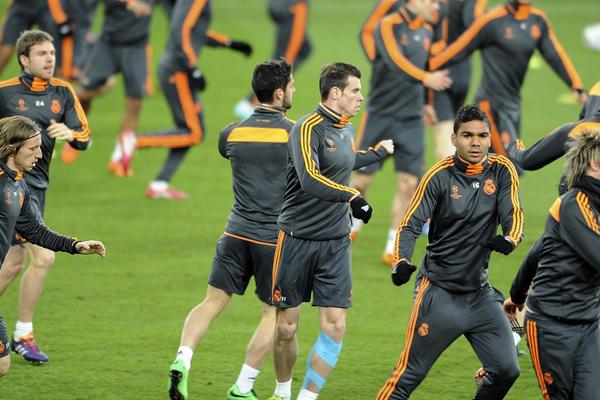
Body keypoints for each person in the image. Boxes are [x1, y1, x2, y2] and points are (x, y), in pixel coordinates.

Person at [167, 59, 295, 400]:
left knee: (211, 302)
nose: (295, 91)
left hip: (234, 232)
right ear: (280, 93)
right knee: (272, 313)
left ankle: (183, 358)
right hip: (273, 240)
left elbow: (228, 153)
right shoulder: (293, 133)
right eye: (292, 86)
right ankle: (243, 385)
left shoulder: (231, 133)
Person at [377, 104, 523, 399]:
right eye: (467, 135)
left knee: (507, 369)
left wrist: (510, 239)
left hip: (479, 295)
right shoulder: (439, 176)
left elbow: (514, 215)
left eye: (482, 136)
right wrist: (402, 260)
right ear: (454, 138)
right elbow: (410, 224)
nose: (476, 142)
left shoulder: (502, 170)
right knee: (406, 379)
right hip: (439, 294)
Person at [270, 62, 394, 400]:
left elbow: (343, 160)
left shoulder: (345, 127)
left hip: (335, 241)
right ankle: (282, 391)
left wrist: (375, 155)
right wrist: (353, 195)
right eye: (355, 90)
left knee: (335, 324)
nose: (361, 97)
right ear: (335, 93)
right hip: (296, 237)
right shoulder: (306, 127)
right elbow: (310, 178)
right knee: (285, 327)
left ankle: (307, 396)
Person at [0, 30, 91, 364]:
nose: (50, 58)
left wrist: (70, 134)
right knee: (44, 257)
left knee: (10, 265)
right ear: (24, 59)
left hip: (35, 190)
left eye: (52, 52)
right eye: (41, 53)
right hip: (9, 190)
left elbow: (85, 136)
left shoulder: (63, 92)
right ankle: (24, 334)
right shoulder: (5, 93)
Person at [115, 0, 253, 199]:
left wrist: (229, 43)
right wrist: (192, 67)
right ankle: (134, 140)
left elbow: (195, 31)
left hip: (176, 68)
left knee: (192, 130)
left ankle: (159, 184)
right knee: (193, 132)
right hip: (178, 71)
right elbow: (181, 29)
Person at [0, 115, 105, 376]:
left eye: (41, 146)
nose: (40, 153)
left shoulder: (18, 184)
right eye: (33, 148)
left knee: (2, 365)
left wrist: (76, 245)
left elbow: (34, 230)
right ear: (13, 149)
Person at [350, 0, 452, 265]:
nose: (436, 6)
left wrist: (428, 102)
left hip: (411, 119)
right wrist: (425, 77)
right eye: (431, 1)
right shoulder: (388, 25)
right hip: (380, 116)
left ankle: (392, 243)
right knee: (360, 182)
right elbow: (396, 60)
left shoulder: (428, 31)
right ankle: (352, 226)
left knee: (409, 185)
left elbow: (428, 68)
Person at [504, 131, 600, 400]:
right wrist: (518, 295)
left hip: (588, 324)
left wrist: (516, 295)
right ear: (595, 164)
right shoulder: (573, 205)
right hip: (551, 328)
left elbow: (537, 250)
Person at [429, 0, 586, 160]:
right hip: (490, 105)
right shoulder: (492, 21)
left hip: (513, 106)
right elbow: (459, 49)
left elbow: (554, 55)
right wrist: (426, 72)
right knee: (509, 164)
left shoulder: (538, 20)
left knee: (499, 169)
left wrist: (576, 85)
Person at [428, 0, 488, 161]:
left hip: (438, 75)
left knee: (446, 142)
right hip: (463, 73)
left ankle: (439, 183)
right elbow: (475, 21)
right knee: (451, 141)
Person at [233, 0, 311, 119]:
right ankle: (252, 103)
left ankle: (261, 99)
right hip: (293, 6)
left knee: (304, 49)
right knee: (285, 60)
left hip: (287, 5)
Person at [0, 0, 61, 76]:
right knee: (5, 50)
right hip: (20, 5)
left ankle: (59, 85)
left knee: (56, 57)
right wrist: (6, 20)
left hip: (49, 5)